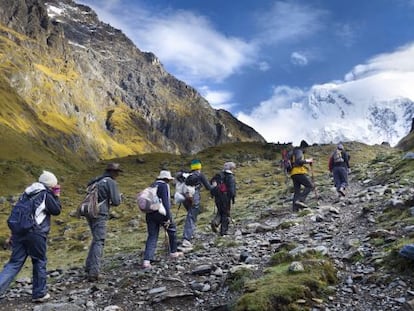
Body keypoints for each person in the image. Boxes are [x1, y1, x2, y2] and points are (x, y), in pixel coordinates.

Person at [0, 170, 62, 302]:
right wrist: (56, 195)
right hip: (35, 233)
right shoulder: (45, 194)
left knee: (14, 263)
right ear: (51, 184)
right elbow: (56, 210)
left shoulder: (27, 193)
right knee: (39, 261)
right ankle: (39, 293)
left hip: (19, 233)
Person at [84, 163, 122, 282]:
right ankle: (94, 272)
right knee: (99, 240)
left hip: (89, 211)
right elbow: (116, 201)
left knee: (96, 239)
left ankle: (89, 266)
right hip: (100, 213)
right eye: (117, 172)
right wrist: (120, 197)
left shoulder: (95, 181)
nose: (118, 175)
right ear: (113, 172)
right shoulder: (110, 182)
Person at [142, 170, 183, 269]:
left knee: (152, 236)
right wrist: (168, 217)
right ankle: (173, 252)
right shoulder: (164, 186)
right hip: (161, 213)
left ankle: (146, 261)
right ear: (166, 179)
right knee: (171, 230)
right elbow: (165, 202)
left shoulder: (152, 185)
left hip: (150, 213)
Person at [180, 159, 212, 250]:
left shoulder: (187, 175)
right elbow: (208, 187)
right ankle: (186, 239)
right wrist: (215, 186)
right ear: (199, 167)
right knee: (191, 216)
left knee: (190, 215)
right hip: (194, 198)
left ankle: (190, 234)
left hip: (185, 198)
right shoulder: (200, 175)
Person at [210, 162, 237, 236]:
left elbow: (211, 183)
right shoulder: (230, 177)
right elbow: (231, 190)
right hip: (225, 198)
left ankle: (215, 222)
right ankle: (223, 231)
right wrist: (232, 198)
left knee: (220, 211)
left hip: (217, 197)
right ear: (231, 168)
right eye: (234, 168)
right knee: (226, 213)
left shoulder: (218, 175)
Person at [288, 147, 314, 212]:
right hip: (299, 172)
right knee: (309, 186)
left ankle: (295, 209)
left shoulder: (292, 153)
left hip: (293, 173)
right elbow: (299, 161)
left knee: (297, 191)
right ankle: (300, 200)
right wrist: (308, 161)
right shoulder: (299, 151)